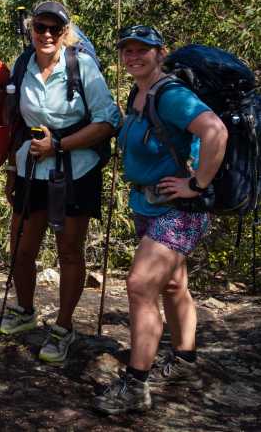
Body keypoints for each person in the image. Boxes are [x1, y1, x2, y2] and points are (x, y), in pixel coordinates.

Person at [94, 25, 227, 414]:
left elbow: (214, 130)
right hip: (150, 204)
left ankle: (136, 385)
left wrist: (197, 184)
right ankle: (185, 358)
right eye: (128, 50)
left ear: (160, 52)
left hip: (179, 208)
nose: (134, 56)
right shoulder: (140, 92)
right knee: (171, 284)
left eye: (143, 50)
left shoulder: (170, 95)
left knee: (139, 286)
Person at [0, 1, 121, 363]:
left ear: (65, 31)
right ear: (31, 29)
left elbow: (109, 119)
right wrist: (10, 170)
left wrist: (60, 145)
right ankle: (24, 311)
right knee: (22, 247)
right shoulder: (24, 65)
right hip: (30, 168)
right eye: (41, 27)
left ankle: (64, 327)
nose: (47, 34)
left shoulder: (81, 66)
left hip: (76, 169)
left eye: (55, 28)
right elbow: (15, 123)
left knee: (68, 250)